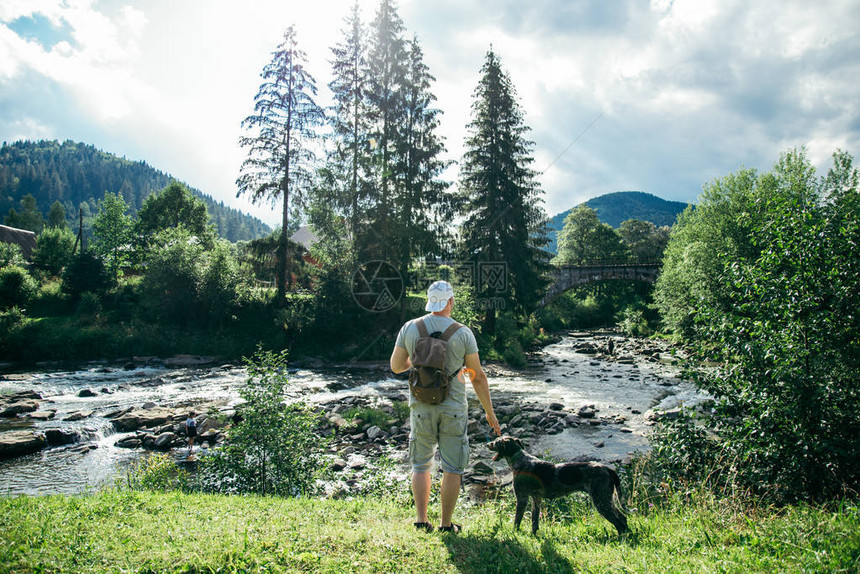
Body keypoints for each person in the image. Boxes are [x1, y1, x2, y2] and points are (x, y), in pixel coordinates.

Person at [390, 280, 501, 533]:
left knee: (421, 465)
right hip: (452, 408)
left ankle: (420, 520)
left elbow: (396, 366)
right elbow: (478, 377)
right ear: (451, 302)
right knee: (452, 467)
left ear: (429, 301)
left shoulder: (409, 328)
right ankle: (445, 524)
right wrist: (489, 412)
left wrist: (417, 364)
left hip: (420, 406)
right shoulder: (463, 333)